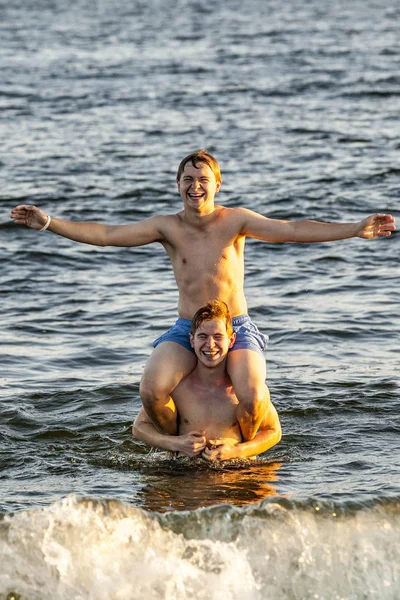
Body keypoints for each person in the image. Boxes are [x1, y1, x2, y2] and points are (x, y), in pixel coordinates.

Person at [10, 150, 396, 441]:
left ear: (217, 185)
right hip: (187, 328)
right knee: (151, 389)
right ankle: (177, 443)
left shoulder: (236, 221)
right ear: (177, 185)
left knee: (250, 392)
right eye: (188, 178)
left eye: (203, 178)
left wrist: (354, 229)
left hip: (235, 327)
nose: (196, 185)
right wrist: (49, 223)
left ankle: (240, 446)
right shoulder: (167, 227)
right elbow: (107, 235)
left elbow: (293, 229)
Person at [132, 300, 281, 461]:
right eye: (203, 336)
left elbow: (274, 431)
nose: (210, 345)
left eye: (218, 337)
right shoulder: (177, 389)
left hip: (235, 471)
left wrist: (237, 451)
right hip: (184, 474)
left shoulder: (243, 391)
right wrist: (176, 443)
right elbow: (139, 428)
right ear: (192, 340)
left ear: (231, 341)